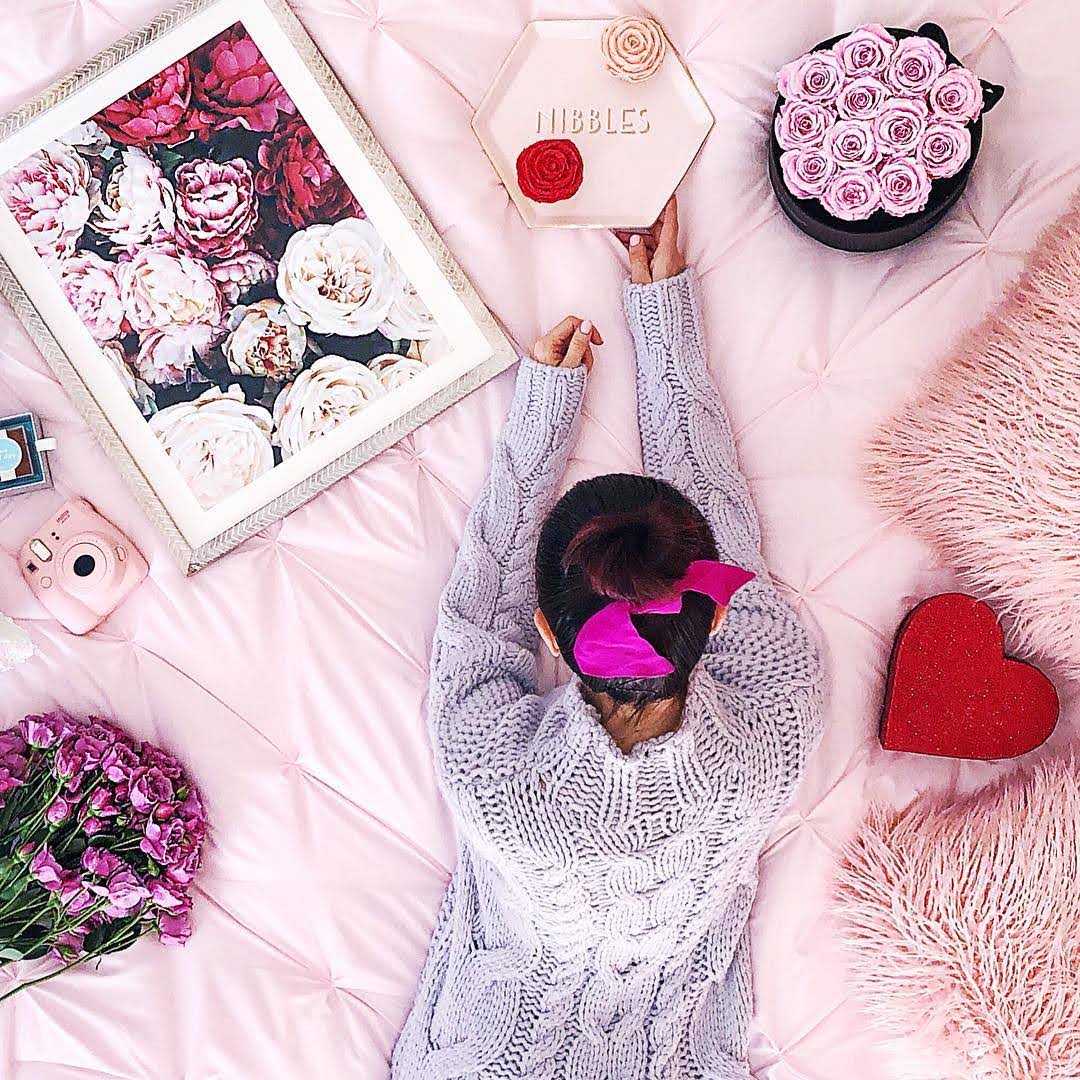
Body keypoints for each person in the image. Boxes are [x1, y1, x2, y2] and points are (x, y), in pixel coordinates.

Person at [391, 198, 824, 1079]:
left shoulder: (489, 781)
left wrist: (544, 410)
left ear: (549, 629)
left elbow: (480, 615)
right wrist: (662, 323)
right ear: (722, 611)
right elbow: (722, 536)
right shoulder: (780, 732)